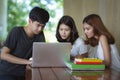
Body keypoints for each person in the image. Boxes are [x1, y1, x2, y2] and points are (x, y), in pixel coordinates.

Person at [0, 6, 49, 80]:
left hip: (22, 74)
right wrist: (28, 62)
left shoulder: (40, 35)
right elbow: (3, 55)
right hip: (6, 73)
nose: (40, 29)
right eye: (38, 25)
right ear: (30, 21)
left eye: (43, 26)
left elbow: (41, 56)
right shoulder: (16, 31)